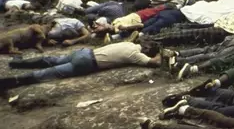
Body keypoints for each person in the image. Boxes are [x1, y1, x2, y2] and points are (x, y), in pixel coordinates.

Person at [0, 41, 161, 91]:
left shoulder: (129, 43)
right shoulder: (136, 56)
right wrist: (159, 56)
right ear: (148, 51)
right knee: (50, 72)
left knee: (52, 60)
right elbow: (154, 63)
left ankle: (16, 63)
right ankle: (11, 82)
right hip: (87, 63)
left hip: (83, 52)